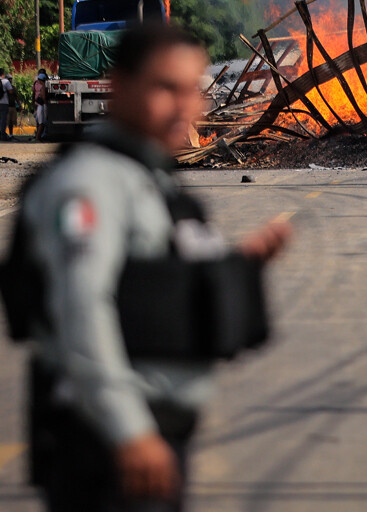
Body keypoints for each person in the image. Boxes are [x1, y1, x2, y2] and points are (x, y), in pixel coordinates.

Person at [9, 25, 292, 511]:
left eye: (192, 91)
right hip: (107, 443)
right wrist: (130, 432)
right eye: (165, 88)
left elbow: (148, 283)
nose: (184, 106)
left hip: (153, 435)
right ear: (120, 86)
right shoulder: (89, 183)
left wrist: (236, 266)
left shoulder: (145, 176)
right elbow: (81, 308)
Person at [33, 69, 48, 141]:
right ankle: (38, 137)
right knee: (42, 123)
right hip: (42, 105)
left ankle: (38, 137)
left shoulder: (39, 86)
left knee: (40, 123)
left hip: (39, 105)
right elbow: (44, 97)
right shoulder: (44, 87)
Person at [0, 68, 14, 140]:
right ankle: (2, 134)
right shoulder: (5, 81)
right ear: (3, 74)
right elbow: (11, 91)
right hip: (4, 103)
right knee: (3, 119)